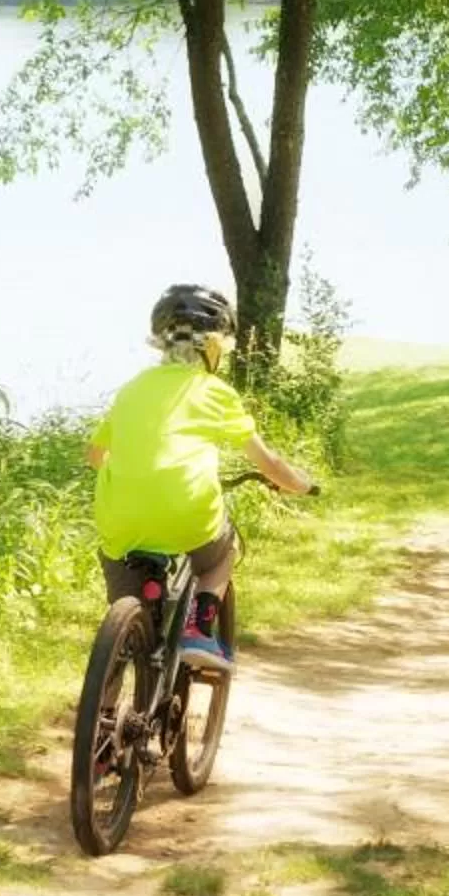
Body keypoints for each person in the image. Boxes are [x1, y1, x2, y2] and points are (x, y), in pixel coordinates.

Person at [85, 285, 314, 676]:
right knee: (223, 551)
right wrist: (301, 484)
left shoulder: (132, 389)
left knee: (123, 612)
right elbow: (269, 463)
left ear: (161, 341)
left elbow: (94, 456)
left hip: (120, 522)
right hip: (187, 516)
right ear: (214, 346)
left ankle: (107, 692)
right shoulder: (214, 392)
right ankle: (198, 628)